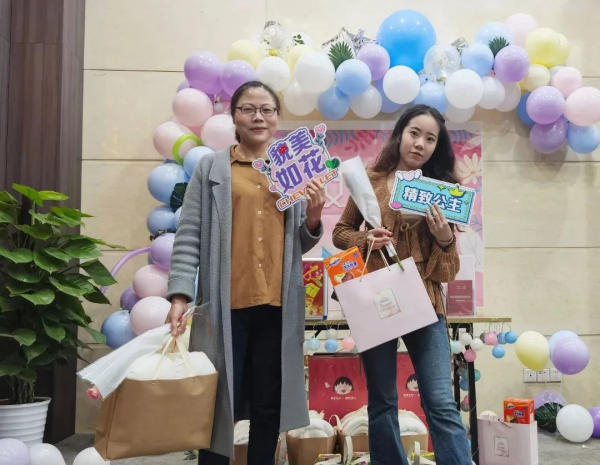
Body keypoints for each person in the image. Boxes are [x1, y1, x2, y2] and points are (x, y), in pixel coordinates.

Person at [166, 81, 325, 464]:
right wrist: (180, 295)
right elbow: (189, 234)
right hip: (226, 306)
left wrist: (314, 217)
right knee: (216, 401)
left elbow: (298, 243)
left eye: (267, 109)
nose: (258, 117)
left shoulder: (291, 169)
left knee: (269, 403)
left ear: (277, 118)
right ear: (233, 116)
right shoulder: (211, 168)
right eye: (248, 109)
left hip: (276, 304)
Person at [332, 104, 472, 465]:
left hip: (425, 302)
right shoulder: (370, 179)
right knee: (382, 401)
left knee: (441, 400)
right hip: (376, 298)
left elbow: (448, 271)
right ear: (400, 134)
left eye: (430, 139)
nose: (420, 143)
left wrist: (444, 239)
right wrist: (365, 239)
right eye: (414, 133)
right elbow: (340, 232)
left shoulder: (443, 191)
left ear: (437, 147)